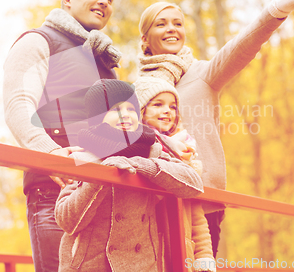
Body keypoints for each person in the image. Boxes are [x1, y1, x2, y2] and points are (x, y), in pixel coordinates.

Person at [136, 0, 294, 256]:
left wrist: (275, 10)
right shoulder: (136, 89)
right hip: (150, 201)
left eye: (177, 23)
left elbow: (242, 46)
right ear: (145, 38)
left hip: (202, 200)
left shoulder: (203, 74)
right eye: (161, 23)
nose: (171, 29)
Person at [3, 0, 120, 271]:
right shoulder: (37, 40)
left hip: (106, 194)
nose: (104, 1)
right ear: (68, 0)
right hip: (55, 191)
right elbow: (18, 104)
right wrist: (51, 153)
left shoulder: (105, 62)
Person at [54, 79, 204, 271]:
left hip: (143, 264)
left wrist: (142, 165)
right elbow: (67, 220)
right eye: (115, 109)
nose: (125, 115)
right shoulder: (82, 156)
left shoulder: (152, 151)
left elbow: (193, 183)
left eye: (131, 109)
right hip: (90, 265)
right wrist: (103, 175)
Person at [134, 76, 217, 272]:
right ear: (140, 110)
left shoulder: (185, 155)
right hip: (144, 250)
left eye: (172, 106)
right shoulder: (133, 149)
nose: (167, 111)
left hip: (180, 252)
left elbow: (196, 214)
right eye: (158, 104)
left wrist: (204, 255)